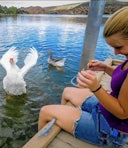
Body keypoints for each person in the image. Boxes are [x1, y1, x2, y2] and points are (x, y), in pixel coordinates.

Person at [38, 6, 128, 147]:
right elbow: (123, 77)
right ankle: (66, 118)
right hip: (106, 111)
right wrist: (105, 67)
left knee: (45, 111)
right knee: (67, 91)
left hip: (113, 130)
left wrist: (96, 88)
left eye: (119, 47)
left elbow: (123, 113)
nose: (116, 53)